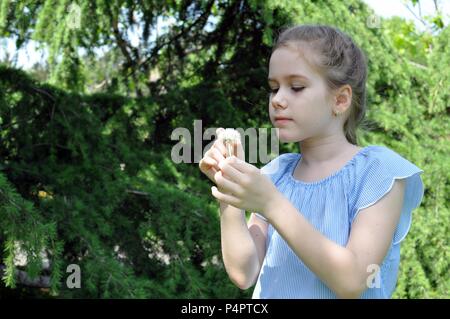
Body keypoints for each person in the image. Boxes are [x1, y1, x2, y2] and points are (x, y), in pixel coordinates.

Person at [198, 24, 424, 299]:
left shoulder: (379, 173)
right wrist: (229, 190)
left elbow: (353, 279)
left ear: (340, 100)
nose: (278, 100)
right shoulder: (277, 174)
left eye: (296, 87)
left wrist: (271, 203)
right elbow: (244, 273)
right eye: (273, 88)